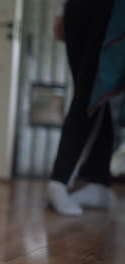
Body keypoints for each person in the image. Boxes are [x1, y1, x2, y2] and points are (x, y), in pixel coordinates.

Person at [47, 0, 118, 216]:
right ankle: (60, 180)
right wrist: (60, 9)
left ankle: (98, 181)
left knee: (100, 94)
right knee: (91, 91)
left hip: (92, 10)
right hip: (94, 9)